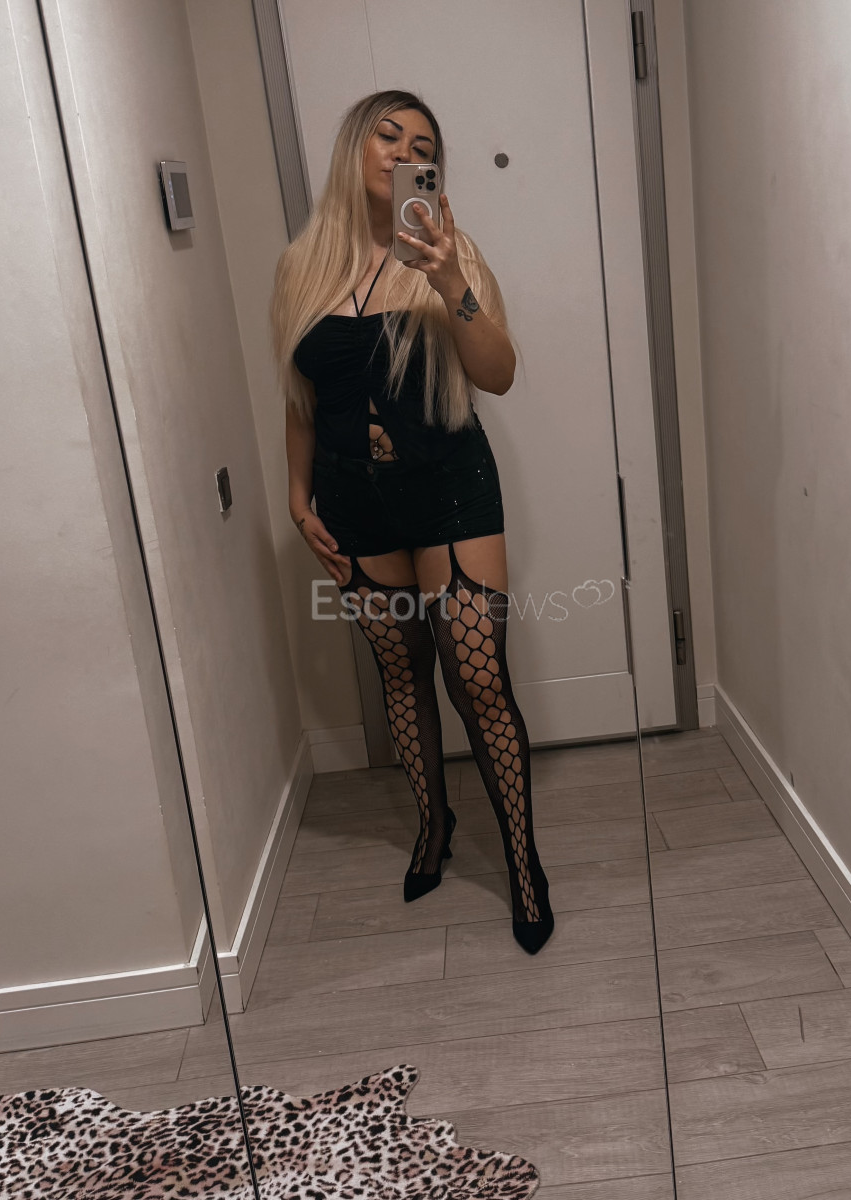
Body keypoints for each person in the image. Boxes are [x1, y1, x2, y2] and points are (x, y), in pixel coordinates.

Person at [271, 91, 553, 955]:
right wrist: (297, 498)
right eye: (387, 136)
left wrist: (446, 278)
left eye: (422, 145)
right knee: (400, 677)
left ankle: (524, 864)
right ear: (354, 148)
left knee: (479, 683)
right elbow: (302, 399)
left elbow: (498, 374)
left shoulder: (448, 252)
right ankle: (433, 828)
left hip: (448, 490)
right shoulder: (300, 268)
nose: (403, 153)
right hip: (352, 502)